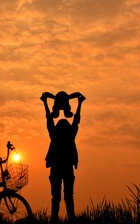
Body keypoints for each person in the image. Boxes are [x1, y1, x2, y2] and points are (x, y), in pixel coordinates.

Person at [40, 91, 86, 224]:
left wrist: (45, 103)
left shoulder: (54, 135)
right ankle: (70, 218)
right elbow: (76, 121)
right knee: (68, 197)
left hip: (56, 166)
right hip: (66, 167)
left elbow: (49, 119)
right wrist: (79, 104)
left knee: (56, 197)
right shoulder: (70, 135)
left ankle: (54, 219)